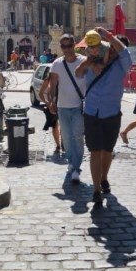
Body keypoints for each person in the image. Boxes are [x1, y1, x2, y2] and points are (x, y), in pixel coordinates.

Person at [75, 29, 132, 206]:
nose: (112, 50)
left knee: (107, 150)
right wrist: (88, 64)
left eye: (115, 47)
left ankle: (104, 177)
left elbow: (125, 52)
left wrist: (108, 35)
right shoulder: (93, 59)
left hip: (112, 113)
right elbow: (78, 73)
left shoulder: (123, 65)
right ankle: (96, 190)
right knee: (94, 151)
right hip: (92, 112)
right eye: (110, 47)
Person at [48, 34, 86, 184]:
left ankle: (76, 168)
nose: (67, 49)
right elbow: (53, 85)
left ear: (74, 45)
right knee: (67, 139)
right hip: (62, 106)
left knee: (77, 137)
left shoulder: (83, 61)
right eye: (63, 46)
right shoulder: (57, 64)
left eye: (69, 46)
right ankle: (71, 161)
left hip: (78, 106)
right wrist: (51, 101)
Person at [39, 68, 62, 152]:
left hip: (63, 104)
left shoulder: (63, 78)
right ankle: (58, 145)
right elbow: (41, 94)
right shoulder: (48, 79)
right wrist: (48, 104)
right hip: (52, 105)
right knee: (55, 125)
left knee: (63, 126)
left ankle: (63, 144)